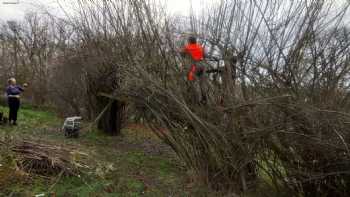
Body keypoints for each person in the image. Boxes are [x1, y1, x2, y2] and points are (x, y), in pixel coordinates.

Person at [181, 36, 207, 104]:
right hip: (203, 66)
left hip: (195, 66)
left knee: (193, 80)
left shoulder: (187, 47)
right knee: (202, 82)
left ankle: (199, 100)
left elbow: (182, 54)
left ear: (189, 41)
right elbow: (205, 55)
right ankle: (204, 98)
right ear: (195, 41)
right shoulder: (200, 47)